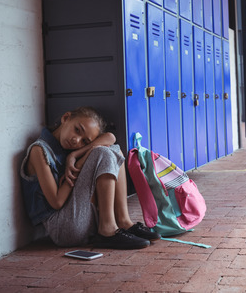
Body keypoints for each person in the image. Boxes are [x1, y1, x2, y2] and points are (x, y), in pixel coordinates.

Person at [20, 106, 160, 249]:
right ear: (65, 118)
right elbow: (56, 202)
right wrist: (81, 162)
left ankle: (123, 221)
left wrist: (74, 155)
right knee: (102, 153)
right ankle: (107, 230)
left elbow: (110, 138)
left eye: (85, 141)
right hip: (63, 229)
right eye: (77, 129)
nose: (76, 140)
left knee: (114, 149)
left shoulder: (70, 150)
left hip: (81, 218)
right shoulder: (39, 150)